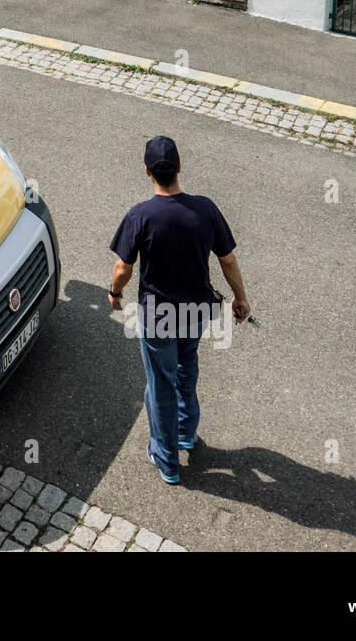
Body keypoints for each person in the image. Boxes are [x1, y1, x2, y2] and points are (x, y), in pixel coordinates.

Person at [108, 136, 250, 485]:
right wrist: (240, 299)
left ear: (147, 172)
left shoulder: (140, 215)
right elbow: (227, 260)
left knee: (160, 385)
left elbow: (123, 268)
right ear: (180, 167)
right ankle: (186, 433)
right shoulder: (205, 208)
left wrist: (115, 293)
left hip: (158, 316)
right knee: (186, 369)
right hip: (196, 311)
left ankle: (166, 457)